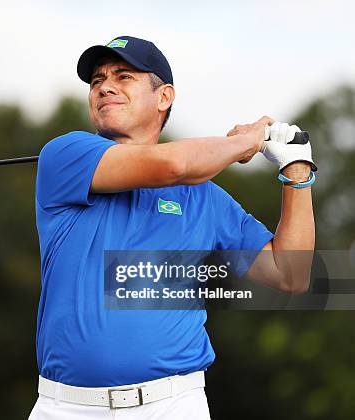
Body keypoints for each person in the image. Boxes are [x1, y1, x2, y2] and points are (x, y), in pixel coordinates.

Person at [29, 36, 316, 419]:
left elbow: (291, 274)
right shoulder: (66, 155)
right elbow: (172, 166)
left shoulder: (204, 198)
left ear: (164, 96)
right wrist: (249, 139)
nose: (105, 86)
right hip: (65, 407)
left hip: (173, 405)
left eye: (123, 75)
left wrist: (296, 171)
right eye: (97, 80)